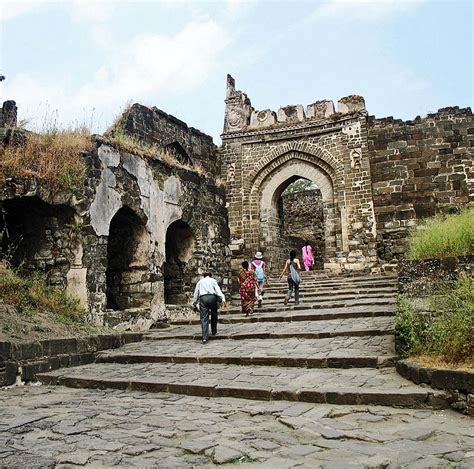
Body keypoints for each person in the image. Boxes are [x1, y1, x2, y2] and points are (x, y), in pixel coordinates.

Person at [192, 272, 226, 344]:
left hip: (203, 298)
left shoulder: (200, 282)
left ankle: (205, 337)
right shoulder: (213, 281)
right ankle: (214, 331)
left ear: (204, 276)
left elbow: (196, 293)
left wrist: (194, 302)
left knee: (204, 318)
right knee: (214, 315)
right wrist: (223, 298)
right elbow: (218, 291)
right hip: (212, 298)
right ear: (210, 276)